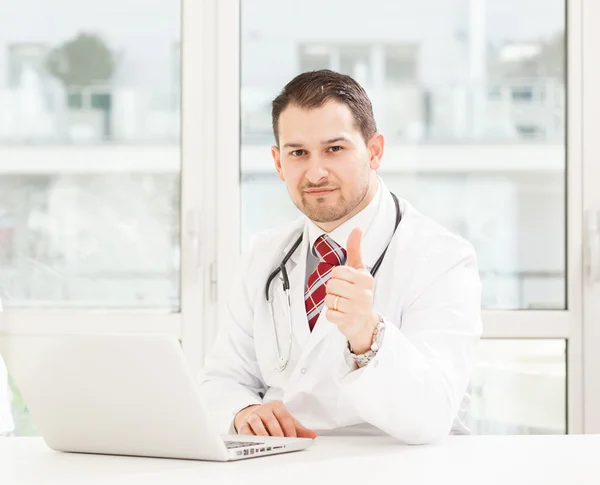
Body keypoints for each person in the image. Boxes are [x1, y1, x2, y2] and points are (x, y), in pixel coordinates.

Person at [199, 69, 482, 444]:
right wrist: (243, 412)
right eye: (298, 153)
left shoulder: (442, 258)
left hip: (394, 468)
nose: (315, 172)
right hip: (282, 464)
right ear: (278, 163)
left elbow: (430, 418)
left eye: (335, 149)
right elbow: (222, 379)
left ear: (375, 150)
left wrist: (367, 334)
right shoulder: (263, 255)